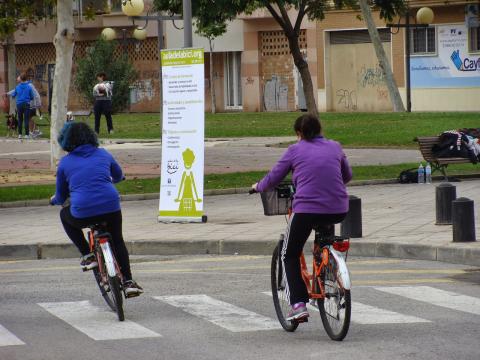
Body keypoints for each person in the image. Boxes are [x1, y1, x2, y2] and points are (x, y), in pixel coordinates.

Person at [251, 114, 352, 322]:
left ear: (299, 134)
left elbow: (274, 177)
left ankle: (298, 304)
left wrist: (257, 187)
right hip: (338, 208)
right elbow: (347, 175)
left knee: (288, 253)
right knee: (324, 241)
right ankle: (327, 275)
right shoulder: (335, 146)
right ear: (320, 129)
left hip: (306, 209)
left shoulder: (294, 150)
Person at [50, 122, 143, 296]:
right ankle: (129, 281)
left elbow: (61, 197)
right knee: (117, 240)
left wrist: (54, 200)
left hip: (82, 212)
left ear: (65, 141)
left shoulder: (65, 163)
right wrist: (117, 178)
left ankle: (87, 255)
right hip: (111, 207)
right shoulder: (103, 154)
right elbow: (117, 175)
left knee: (64, 215)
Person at [7, 73, 33, 139]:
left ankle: (20, 134)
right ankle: (27, 135)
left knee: (20, 119)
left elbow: (13, 95)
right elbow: (32, 96)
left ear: (20, 79)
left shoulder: (17, 87)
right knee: (26, 120)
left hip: (19, 105)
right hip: (27, 104)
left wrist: (12, 96)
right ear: (26, 79)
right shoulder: (29, 87)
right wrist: (29, 98)